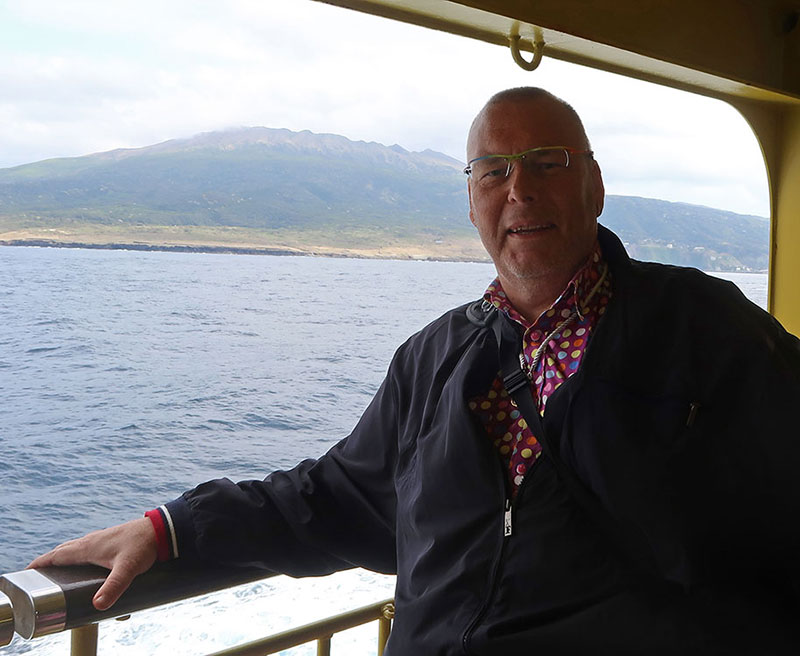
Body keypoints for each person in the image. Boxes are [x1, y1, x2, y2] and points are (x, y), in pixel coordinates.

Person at [31, 87, 800, 654]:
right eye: (493, 171)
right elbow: (333, 497)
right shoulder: (437, 358)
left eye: (546, 163)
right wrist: (170, 530)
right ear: (471, 203)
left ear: (594, 187)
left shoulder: (703, 328)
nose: (520, 188)